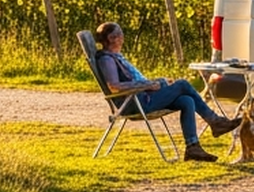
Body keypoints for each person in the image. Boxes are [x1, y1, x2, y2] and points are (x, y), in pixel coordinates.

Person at [92, 21, 236, 161]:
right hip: (136, 103)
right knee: (183, 85)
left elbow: (134, 81)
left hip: (144, 96)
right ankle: (215, 121)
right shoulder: (107, 59)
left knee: (186, 101)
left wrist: (158, 81)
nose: (123, 36)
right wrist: (146, 85)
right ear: (112, 38)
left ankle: (193, 147)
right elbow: (114, 86)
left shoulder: (117, 56)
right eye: (120, 33)